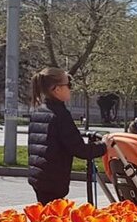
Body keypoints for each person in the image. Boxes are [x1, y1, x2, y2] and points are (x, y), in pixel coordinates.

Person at [27, 67, 106, 205]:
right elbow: (80, 149)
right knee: (54, 215)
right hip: (54, 180)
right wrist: (104, 146)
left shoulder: (38, 111)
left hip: (39, 177)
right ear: (57, 89)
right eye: (69, 85)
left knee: (44, 213)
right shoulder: (60, 115)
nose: (71, 89)